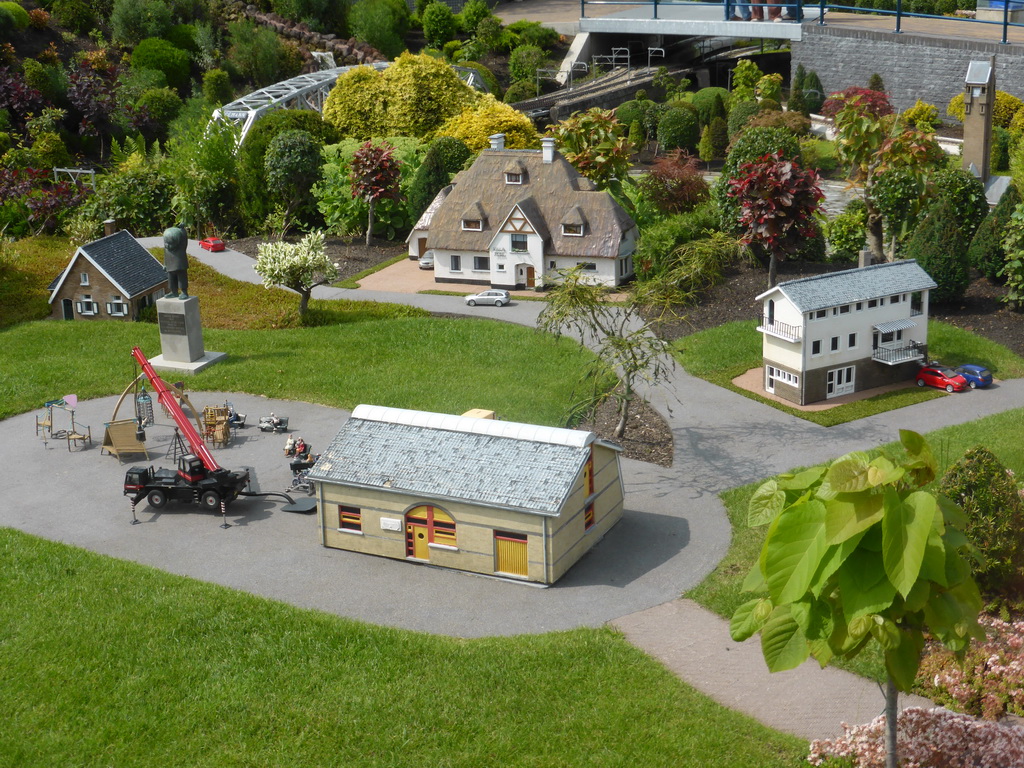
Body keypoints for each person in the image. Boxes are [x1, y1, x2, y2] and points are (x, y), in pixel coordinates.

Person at [162, 226, 189, 298]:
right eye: (166, 243)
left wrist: (183, 230)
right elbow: (165, 256)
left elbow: (184, 240)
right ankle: (174, 292)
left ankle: (184, 292)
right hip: (170, 267)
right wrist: (165, 264)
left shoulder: (181, 248)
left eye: (170, 243)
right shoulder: (166, 249)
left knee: (182, 280)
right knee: (171, 281)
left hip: (180, 266)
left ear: (177, 242)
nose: (167, 245)